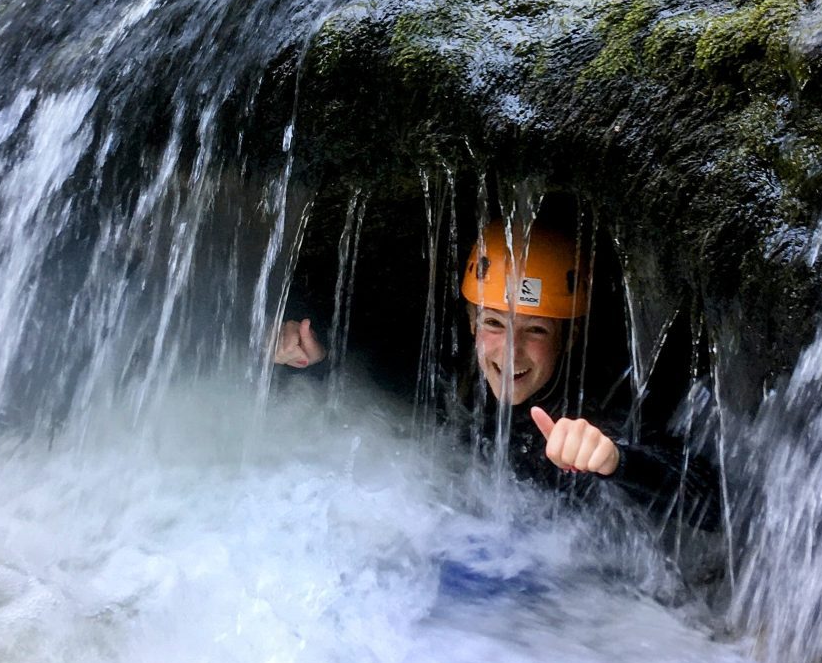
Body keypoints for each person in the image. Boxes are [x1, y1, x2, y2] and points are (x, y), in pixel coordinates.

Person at [275, 222, 722, 531]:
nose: (510, 354)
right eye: (494, 324)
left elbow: (713, 506)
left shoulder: (595, 408)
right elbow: (375, 359)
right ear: (471, 323)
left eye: (536, 330)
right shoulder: (451, 374)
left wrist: (615, 461)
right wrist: (319, 355)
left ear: (569, 337)